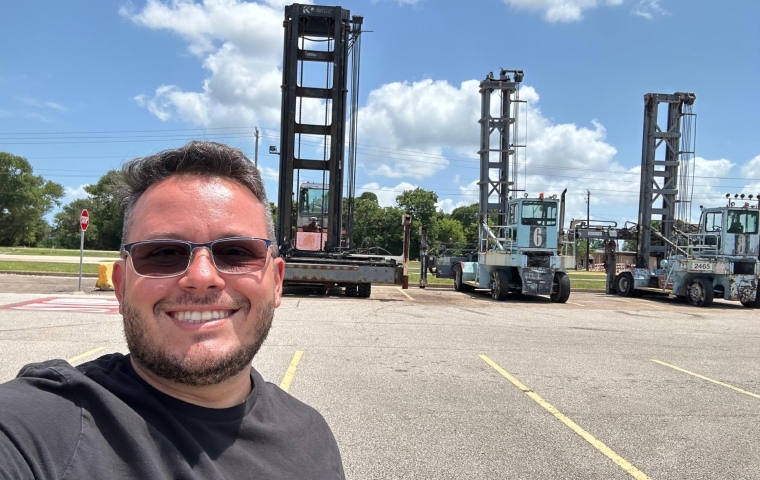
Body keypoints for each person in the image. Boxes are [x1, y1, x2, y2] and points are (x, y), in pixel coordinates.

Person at [0, 141, 345, 479]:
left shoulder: (312, 438)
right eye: (164, 253)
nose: (202, 277)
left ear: (276, 281)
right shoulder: (38, 428)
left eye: (236, 252)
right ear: (121, 286)